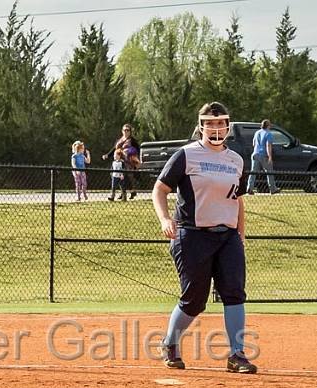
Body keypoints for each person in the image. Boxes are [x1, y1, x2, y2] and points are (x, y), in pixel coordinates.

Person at [151, 101, 257, 374]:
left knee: (234, 292)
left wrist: (240, 235)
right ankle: (170, 344)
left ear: (228, 125)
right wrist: (164, 219)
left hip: (228, 236)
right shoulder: (186, 155)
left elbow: (238, 199)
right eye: (210, 123)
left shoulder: (236, 159)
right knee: (194, 299)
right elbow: (159, 189)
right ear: (201, 126)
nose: (216, 127)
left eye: (220, 122)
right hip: (192, 235)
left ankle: (237, 355)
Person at [102, 123, 140, 199]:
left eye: (127, 130)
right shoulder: (119, 140)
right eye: (124, 130)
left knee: (129, 177)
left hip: (128, 161)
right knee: (117, 176)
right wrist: (107, 155)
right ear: (122, 131)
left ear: (130, 131)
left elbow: (138, 149)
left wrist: (134, 157)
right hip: (119, 161)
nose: (126, 131)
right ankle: (123, 193)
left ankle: (133, 191)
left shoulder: (132, 140)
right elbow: (114, 149)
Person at [245, 119, 279, 195]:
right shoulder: (268, 134)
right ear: (268, 126)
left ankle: (249, 188)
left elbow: (253, 143)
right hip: (263, 155)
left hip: (255, 154)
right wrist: (270, 156)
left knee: (253, 172)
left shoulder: (257, 132)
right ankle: (273, 189)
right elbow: (268, 145)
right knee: (269, 172)